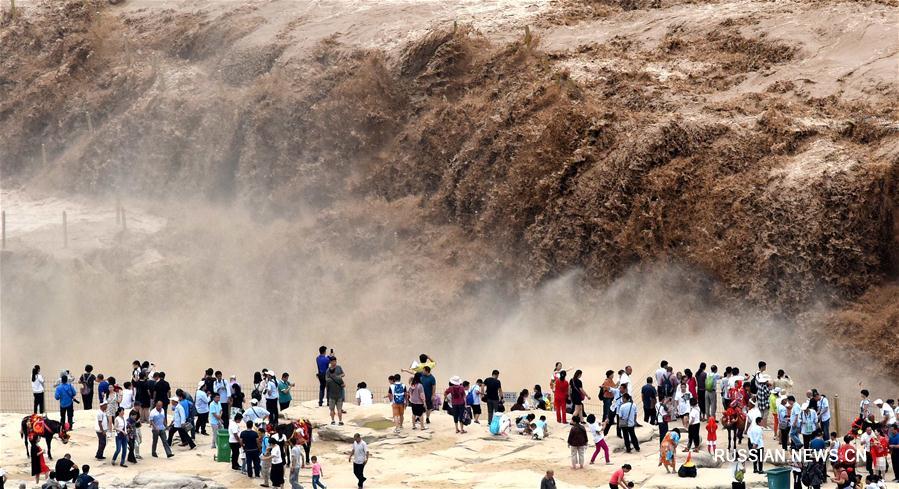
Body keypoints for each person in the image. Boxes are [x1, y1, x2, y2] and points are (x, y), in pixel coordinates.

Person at [325, 357, 346, 425]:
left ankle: (333, 420)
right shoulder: (339, 378)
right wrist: (338, 377)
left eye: (335, 361)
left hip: (332, 395)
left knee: (332, 409)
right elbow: (343, 385)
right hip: (339, 394)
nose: (334, 362)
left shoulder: (329, 377)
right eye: (333, 361)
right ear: (330, 362)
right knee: (339, 409)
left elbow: (327, 384)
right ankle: (340, 421)